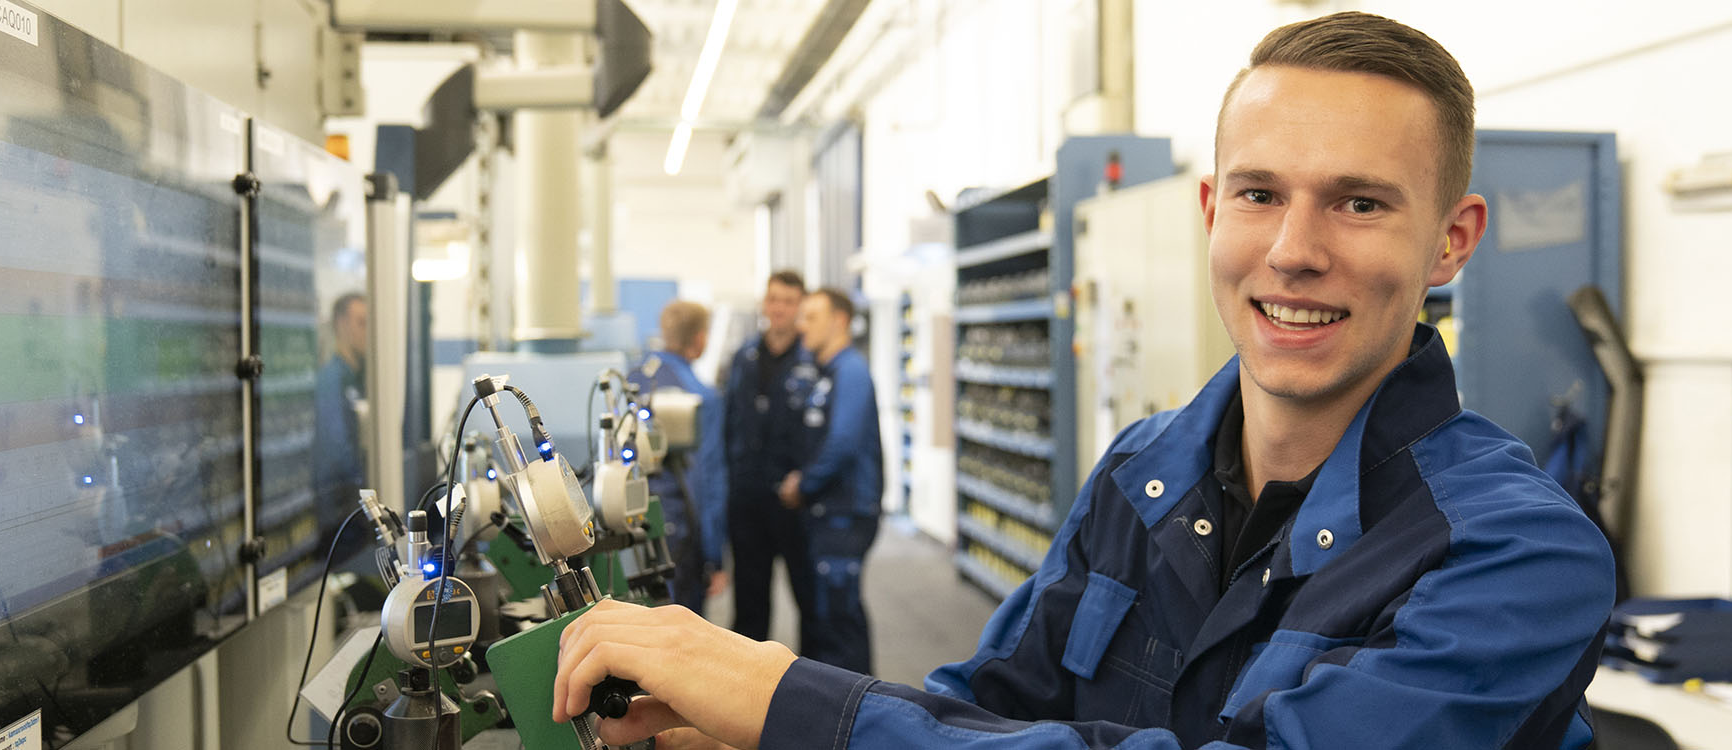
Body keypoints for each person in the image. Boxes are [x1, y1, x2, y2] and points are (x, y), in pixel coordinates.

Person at [550, 12, 1616, 750]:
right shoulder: (1142, 471)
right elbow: (988, 706)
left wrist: (793, 702)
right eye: (1258, 194)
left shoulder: (1517, 555)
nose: (1292, 250)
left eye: (1359, 203)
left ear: (1451, 241)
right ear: (1211, 211)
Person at [778, 288, 883, 674]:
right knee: (827, 618)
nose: (801, 325)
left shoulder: (851, 371)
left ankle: (858, 705)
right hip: (827, 513)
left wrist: (803, 484)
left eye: (811, 317)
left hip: (844, 514)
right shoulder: (828, 373)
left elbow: (842, 443)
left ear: (839, 321)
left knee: (840, 623)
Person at [721, 271, 821, 643]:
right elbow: (728, 422)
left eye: (788, 301)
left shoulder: (813, 360)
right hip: (747, 498)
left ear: (800, 307)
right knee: (749, 602)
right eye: (773, 299)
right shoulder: (743, 357)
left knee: (810, 600)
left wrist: (808, 479)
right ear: (765, 303)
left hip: (795, 499)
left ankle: (814, 675)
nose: (779, 308)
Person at [627, 300, 732, 614]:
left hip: (631, 519)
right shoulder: (700, 397)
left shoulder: (630, 381)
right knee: (684, 619)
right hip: (681, 526)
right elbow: (708, 478)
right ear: (700, 338)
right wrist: (714, 556)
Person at [312, 292, 369, 514]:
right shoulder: (331, 380)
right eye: (361, 323)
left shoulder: (360, 378)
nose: (367, 332)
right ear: (341, 324)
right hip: (340, 506)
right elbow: (338, 449)